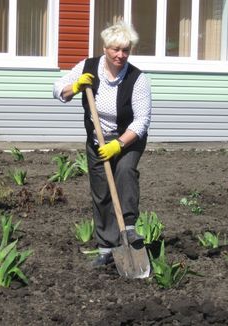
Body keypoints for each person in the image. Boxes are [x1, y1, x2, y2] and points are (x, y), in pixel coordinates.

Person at [53, 20, 152, 267]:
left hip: (128, 139)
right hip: (97, 140)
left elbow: (141, 122)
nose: (120, 55)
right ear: (105, 48)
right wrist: (74, 87)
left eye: (125, 50)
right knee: (102, 193)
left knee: (125, 172)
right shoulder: (88, 66)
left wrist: (118, 145)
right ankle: (106, 249)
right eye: (115, 49)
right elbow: (57, 90)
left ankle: (128, 228)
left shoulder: (137, 79)